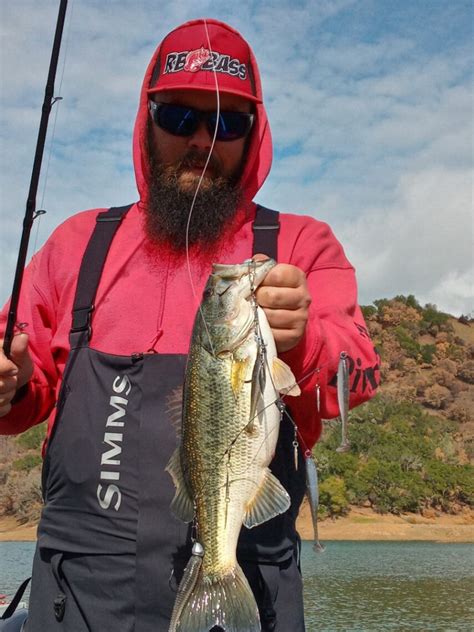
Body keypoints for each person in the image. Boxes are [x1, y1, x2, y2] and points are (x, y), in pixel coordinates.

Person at [0, 18, 380, 632]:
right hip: (78, 599)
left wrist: (305, 340)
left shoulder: (300, 244)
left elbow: (358, 373)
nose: (203, 140)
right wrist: (8, 384)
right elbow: (26, 388)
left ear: (256, 134)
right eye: (179, 117)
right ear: (146, 119)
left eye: (229, 123)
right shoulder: (76, 245)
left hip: (249, 586)